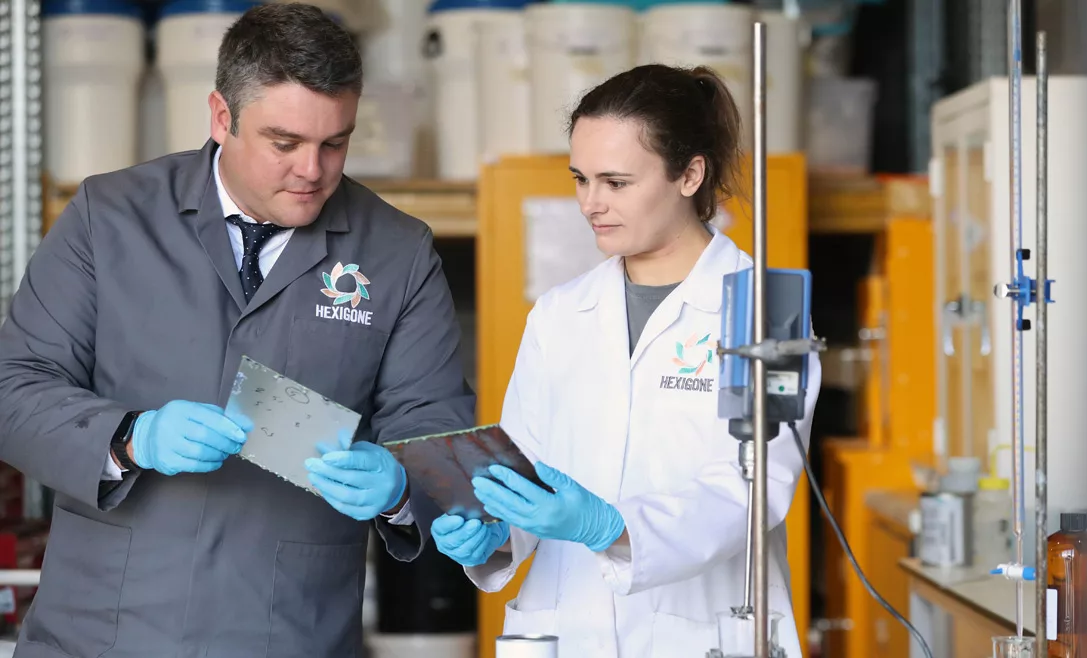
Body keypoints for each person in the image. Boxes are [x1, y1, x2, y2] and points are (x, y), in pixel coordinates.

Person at [0, 4, 473, 656]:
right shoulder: (109, 218)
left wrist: (398, 487)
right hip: (101, 634)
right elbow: (13, 388)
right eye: (285, 143)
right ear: (222, 117)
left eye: (334, 143)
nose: (313, 170)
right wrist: (128, 438)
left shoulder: (398, 252)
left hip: (289, 633)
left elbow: (440, 437)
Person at [429, 64, 822, 658]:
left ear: (690, 174)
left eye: (616, 182)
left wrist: (612, 527)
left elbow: (752, 488)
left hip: (705, 633)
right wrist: (493, 533)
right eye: (581, 179)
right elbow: (524, 469)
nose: (591, 203)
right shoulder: (560, 315)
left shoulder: (765, 313)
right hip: (566, 633)